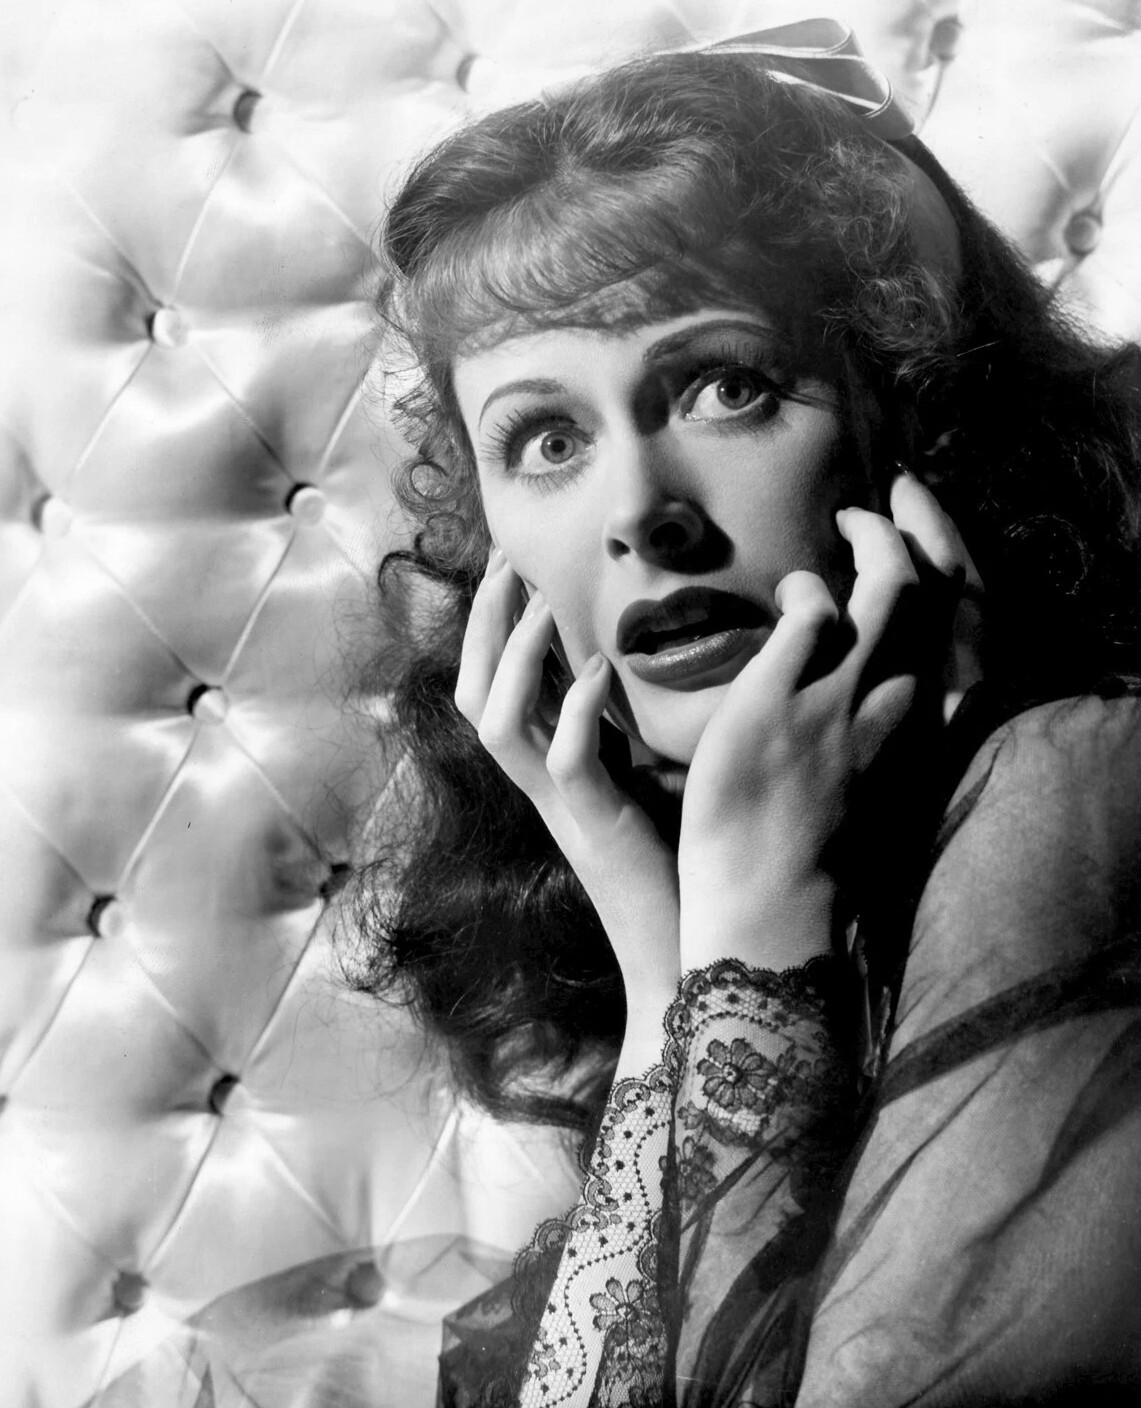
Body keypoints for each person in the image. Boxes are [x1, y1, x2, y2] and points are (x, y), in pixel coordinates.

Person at [345, 21, 1141, 1405]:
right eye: (547, 439)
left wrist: (757, 917)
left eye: (727, 386)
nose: (641, 515)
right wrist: (665, 955)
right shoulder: (726, 856)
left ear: (916, 423)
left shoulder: (1080, 776)